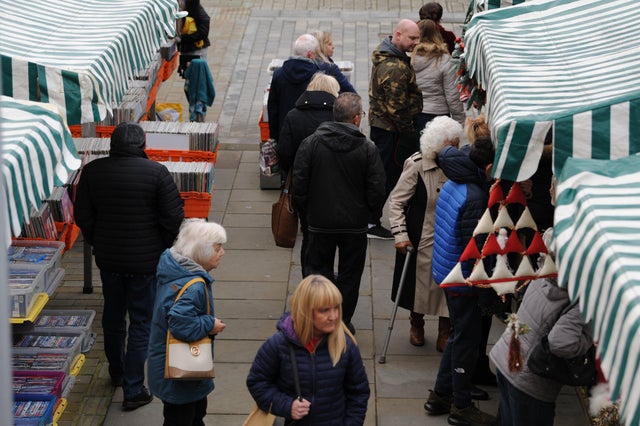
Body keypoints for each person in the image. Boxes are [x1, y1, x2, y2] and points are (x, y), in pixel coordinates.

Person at [74, 122, 184, 410]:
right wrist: (160, 244)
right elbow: (173, 217)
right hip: (144, 263)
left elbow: (82, 214)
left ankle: (117, 373)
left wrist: (96, 238)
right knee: (141, 322)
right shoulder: (157, 173)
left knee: (113, 316)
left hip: (109, 260)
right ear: (142, 144)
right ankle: (134, 388)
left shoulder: (93, 171)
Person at [292, 92, 386, 332]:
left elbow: (299, 184)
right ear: (355, 119)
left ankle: (318, 317)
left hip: (319, 222)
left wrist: (307, 214)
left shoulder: (311, 143)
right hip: (354, 225)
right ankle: (341, 320)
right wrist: (368, 214)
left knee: (317, 272)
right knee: (350, 275)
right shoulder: (367, 148)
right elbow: (376, 189)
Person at [424, 137, 497, 426]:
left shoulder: (457, 177)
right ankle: (462, 406)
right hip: (462, 278)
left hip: (447, 268)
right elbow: (474, 250)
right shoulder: (476, 196)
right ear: (489, 165)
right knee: (466, 340)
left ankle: (440, 396)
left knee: (458, 336)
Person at [490, 228, 593, 426]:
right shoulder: (582, 299)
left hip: (507, 361)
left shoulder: (544, 272)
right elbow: (561, 343)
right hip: (529, 382)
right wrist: (588, 341)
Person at [246, 274, 370, 425]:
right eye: (324, 310)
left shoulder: (345, 345)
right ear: (305, 311)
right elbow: (257, 382)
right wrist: (287, 406)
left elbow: (358, 393)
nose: (333, 316)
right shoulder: (278, 345)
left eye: (336, 307)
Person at [388, 116, 461, 350]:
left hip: (451, 235)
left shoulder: (461, 165)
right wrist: (400, 235)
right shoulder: (417, 165)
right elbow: (397, 203)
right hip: (421, 233)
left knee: (449, 284)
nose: (457, 149)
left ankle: (444, 329)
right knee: (417, 284)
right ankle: (416, 322)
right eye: (452, 145)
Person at [147, 219, 228, 426]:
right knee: (184, 418)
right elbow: (181, 325)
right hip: (182, 372)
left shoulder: (175, 271)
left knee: (191, 415)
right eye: (218, 248)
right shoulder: (194, 286)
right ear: (201, 251)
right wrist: (210, 324)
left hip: (167, 365)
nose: (222, 253)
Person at [277, 73, 340, 277]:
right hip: (333, 187)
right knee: (328, 238)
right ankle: (327, 277)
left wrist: (291, 172)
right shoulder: (338, 117)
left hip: (302, 185)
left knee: (308, 234)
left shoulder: (294, 115)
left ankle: (309, 280)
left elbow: (284, 152)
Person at [368, 19, 423, 239]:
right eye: (412, 38)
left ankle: (370, 218)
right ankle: (371, 221)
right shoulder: (395, 68)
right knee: (386, 176)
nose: (416, 43)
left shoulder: (392, 57)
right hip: (391, 132)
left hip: (385, 128)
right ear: (398, 35)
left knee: (383, 173)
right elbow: (397, 108)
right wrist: (409, 132)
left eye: (417, 38)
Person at [412, 19, 465, 132]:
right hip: (439, 115)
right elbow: (452, 95)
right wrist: (459, 120)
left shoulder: (409, 57)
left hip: (415, 114)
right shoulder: (444, 59)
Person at [268, 34, 321, 141]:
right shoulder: (317, 77)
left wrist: (274, 137)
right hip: (310, 137)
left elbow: (272, 107)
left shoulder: (278, 74)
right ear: (310, 55)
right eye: (316, 54)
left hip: (284, 133)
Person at [310, 30, 357, 94]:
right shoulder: (330, 68)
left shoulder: (306, 65)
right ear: (320, 47)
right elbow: (350, 91)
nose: (333, 46)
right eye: (329, 44)